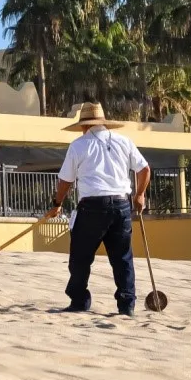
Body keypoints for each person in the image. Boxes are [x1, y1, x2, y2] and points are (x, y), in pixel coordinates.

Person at [48, 102, 151, 316]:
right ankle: (126, 305)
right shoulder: (124, 141)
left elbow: (65, 181)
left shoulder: (78, 145)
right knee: (122, 258)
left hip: (92, 207)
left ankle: (79, 300)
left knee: (80, 257)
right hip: (121, 205)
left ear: (84, 126)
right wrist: (139, 195)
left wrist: (57, 204)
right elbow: (144, 169)